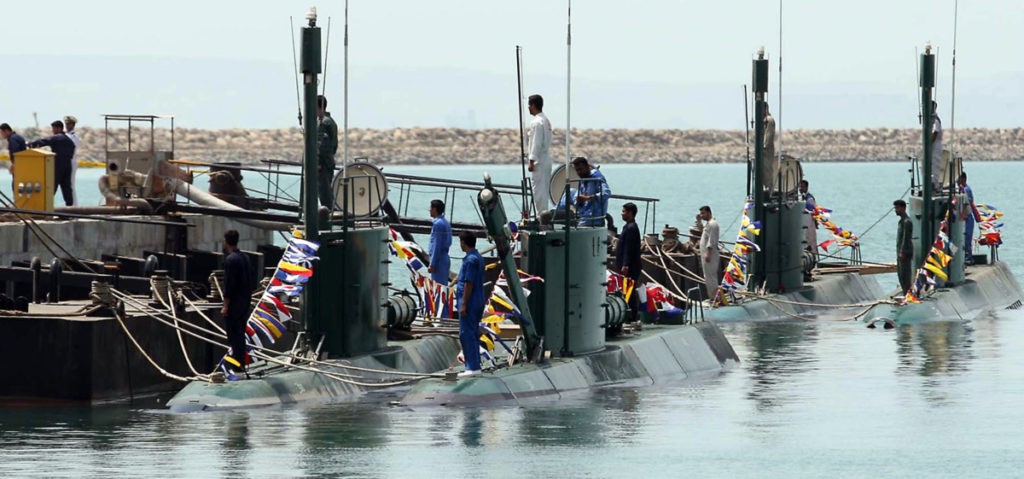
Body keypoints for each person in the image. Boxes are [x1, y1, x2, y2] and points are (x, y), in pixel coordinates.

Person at [220, 230, 254, 375]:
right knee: (240, 335)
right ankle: (241, 364)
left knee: (234, 336)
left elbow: (229, 286)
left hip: (235, 304)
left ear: (226, 241)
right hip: (245, 302)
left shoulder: (230, 260)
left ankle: (237, 366)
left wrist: (225, 306)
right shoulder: (245, 257)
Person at [456, 231, 485, 377]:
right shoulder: (477, 257)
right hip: (477, 299)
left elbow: (469, 283)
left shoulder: (470, 260)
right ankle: (475, 365)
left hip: (470, 301)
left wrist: (464, 304)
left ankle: (472, 367)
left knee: (466, 333)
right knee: (473, 332)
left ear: (463, 242)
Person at [27, 120, 76, 206]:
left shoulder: (56, 137)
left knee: (51, 187)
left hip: (57, 166)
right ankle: (69, 209)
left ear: (58, 128)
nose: (52, 131)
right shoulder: (69, 140)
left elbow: (43, 141)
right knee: (67, 188)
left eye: (53, 128)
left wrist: (30, 145)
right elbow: (72, 151)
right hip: (68, 166)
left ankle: (45, 207)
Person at [526, 94, 553, 216]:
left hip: (540, 161)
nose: (528, 107)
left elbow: (536, 143)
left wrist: (531, 161)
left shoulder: (537, 122)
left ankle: (541, 217)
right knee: (544, 190)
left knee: (538, 192)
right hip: (546, 159)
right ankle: (543, 215)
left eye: (529, 105)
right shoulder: (546, 120)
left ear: (533, 105)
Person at [616, 202, 642, 322]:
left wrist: (625, 264)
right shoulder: (628, 226)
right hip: (629, 266)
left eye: (624, 211)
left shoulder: (631, 228)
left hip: (630, 267)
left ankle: (632, 316)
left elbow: (629, 248)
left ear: (630, 213)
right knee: (627, 291)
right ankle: (631, 315)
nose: (622, 214)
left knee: (629, 292)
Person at [571, 157, 611, 227]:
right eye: (577, 170)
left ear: (587, 167)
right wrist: (579, 201)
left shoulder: (597, 178)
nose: (579, 172)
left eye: (581, 169)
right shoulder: (583, 180)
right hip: (583, 217)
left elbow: (606, 193)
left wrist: (588, 198)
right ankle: (553, 214)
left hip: (594, 219)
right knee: (570, 192)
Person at [317, 95, 339, 208]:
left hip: (323, 165)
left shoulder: (323, 123)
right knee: (326, 192)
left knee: (324, 194)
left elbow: (322, 144)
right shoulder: (331, 122)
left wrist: (318, 162)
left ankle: (328, 218)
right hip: (329, 162)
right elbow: (334, 145)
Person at [958, 172, 982, 265]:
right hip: (964, 219)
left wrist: (962, 216)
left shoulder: (966, 189)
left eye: (959, 179)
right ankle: (965, 257)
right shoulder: (961, 189)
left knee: (967, 239)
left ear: (963, 179)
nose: (957, 181)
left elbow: (966, 204)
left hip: (968, 218)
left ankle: (969, 258)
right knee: (963, 239)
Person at [427, 199, 452, 285]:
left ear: (434, 209)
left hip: (439, 260)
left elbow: (436, 245)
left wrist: (432, 264)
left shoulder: (438, 224)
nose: (429, 210)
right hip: (444, 257)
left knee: (438, 288)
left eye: (430, 207)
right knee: (442, 287)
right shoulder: (445, 222)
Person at [698, 205, 720, 302]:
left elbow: (712, 240)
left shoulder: (713, 224)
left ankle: (715, 297)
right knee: (707, 277)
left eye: (703, 213)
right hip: (706, 255)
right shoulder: (708, 224)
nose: (701, 215)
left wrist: (708, 253)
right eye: (701, 213)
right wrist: (699, 221)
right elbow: (701, 231)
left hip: (710, 256)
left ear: (709, 213)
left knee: (711, 277)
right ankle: (712, 297)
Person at [894, 199, 914, 293]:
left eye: (897, 208)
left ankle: (907, 293)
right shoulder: (901, 221)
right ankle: (905, 292)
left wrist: (903, 252)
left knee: (905, 275)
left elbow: (906, 238)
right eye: (895, 208)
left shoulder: (907, 222)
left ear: (904, 208)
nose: (896, 210)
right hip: (901, 253)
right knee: (901, 275)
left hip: (904, 253)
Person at [63, 116, 81, 205]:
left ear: (72, 125)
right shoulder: (67, 135)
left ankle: (74, 206)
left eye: (68, 124)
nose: (66, 125)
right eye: (66, 124)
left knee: (71, 185)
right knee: (67, 185)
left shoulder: (74, 136)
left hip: (71, 161)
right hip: (66, 162)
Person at [800, 179, 818, 258]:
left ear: (806, 187)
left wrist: (816, 222)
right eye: (800, 187)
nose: (801, 189)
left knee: (810, 240)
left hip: (809, 223)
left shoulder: (810, 199)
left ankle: (812, 257)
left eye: (803, 187)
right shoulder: (801, 198)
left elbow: (815, 212)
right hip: (803, 224)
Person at [762, 103, 777, 192]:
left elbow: (769, 135)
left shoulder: (769, 120)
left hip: (766, 151)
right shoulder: (763, 120)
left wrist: (764, 146)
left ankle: (768, 188)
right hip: (763, 150)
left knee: (767, 169)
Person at [930, 101, 943, 191]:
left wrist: (929, 143)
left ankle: (936, 186)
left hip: (935, 144)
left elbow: (935, 132)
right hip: (932, 145)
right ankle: (931, 184)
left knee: (935, 165)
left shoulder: (935, 120)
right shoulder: (930, 120)